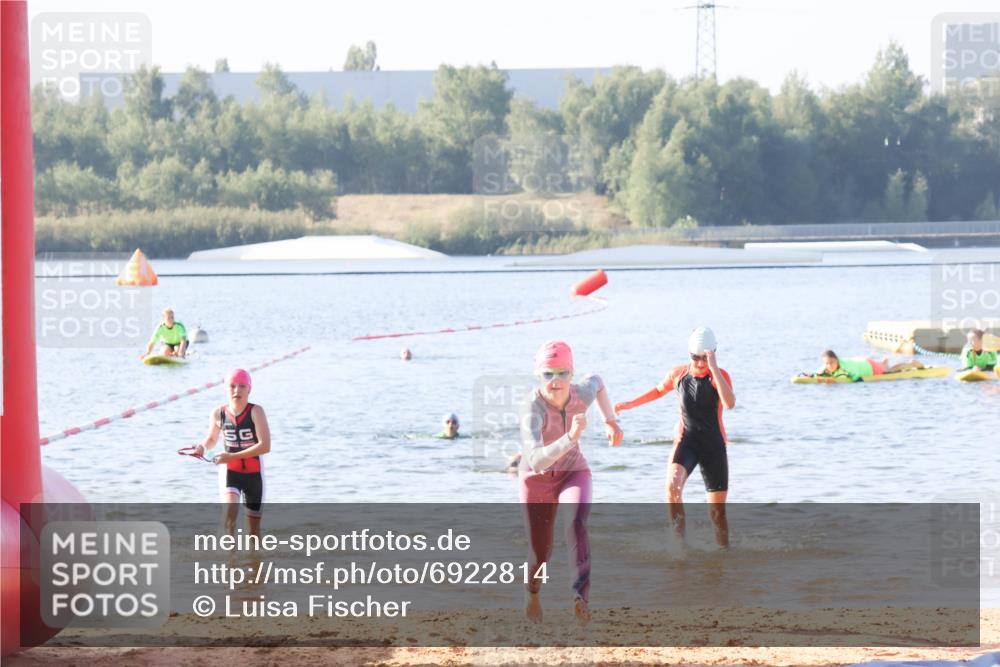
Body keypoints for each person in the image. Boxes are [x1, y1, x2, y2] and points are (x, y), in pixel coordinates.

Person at [519, 340, 623, 625]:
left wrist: (610, 421)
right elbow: (538, 460)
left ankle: (580, 599)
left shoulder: (581, 394)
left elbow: (598, 382)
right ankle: (532, 594)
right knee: (540, 554)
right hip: (536, 479)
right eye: (547, 374)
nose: (555, 381)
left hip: (572, 472)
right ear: (538, 375)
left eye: (562, 373)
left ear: (571, 373)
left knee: (575, 523)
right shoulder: (532, 407)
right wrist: (570, 438)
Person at [615, 327, 735, 549]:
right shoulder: (678, 374)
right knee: (672, 485)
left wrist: (714, 367)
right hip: (686, 441)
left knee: (717, 514)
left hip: (713, 446)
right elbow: (658, 391)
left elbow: (729, 403)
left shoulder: (720, 375)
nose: (700, 363)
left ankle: (724, 558)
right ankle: (679, 544)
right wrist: (631, 404)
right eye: (695, 357)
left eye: (704, 358)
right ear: (689, 354)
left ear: (713, 353)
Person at [194, 369, 271, 538]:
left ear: (249, 389)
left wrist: (231, 456)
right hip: (231, 472)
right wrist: (201, 448)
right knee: (230, 515)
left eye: (242, 386)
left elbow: (265, 446)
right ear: (226, 389)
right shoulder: (218, 413)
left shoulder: (256, 412)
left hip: (254, 474)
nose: (237, 390)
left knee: (253, 532)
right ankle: (230, 560)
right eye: (232, 386)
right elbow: (211, 439)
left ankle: (254, 562)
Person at [810, 350, 924, 382]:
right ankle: (884, 361)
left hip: (868, 366)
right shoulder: (826, 366)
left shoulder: (846, 367)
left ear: (836, 359)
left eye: (831, 363)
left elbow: (856, 376)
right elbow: (817, 373)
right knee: (883, 366)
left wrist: (852, 379)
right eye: (826, 363)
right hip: (861, 361)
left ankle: (912, 363)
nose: (829, 365)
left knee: (889, 370)